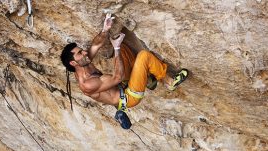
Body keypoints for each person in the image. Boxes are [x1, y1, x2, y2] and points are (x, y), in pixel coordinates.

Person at [60, 14, 188, 129]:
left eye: (81, 50)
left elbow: (95, 45)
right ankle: (168, 81)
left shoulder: (84, 62)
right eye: (79, 53)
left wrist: (105, 28)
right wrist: (115, 48)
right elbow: (117, 77)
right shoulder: (87, 84)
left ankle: (148, 79)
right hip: (129, 97)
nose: (84, 52)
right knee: (143, 56)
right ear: (73, 63)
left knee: (123, 47)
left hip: (123, 85)